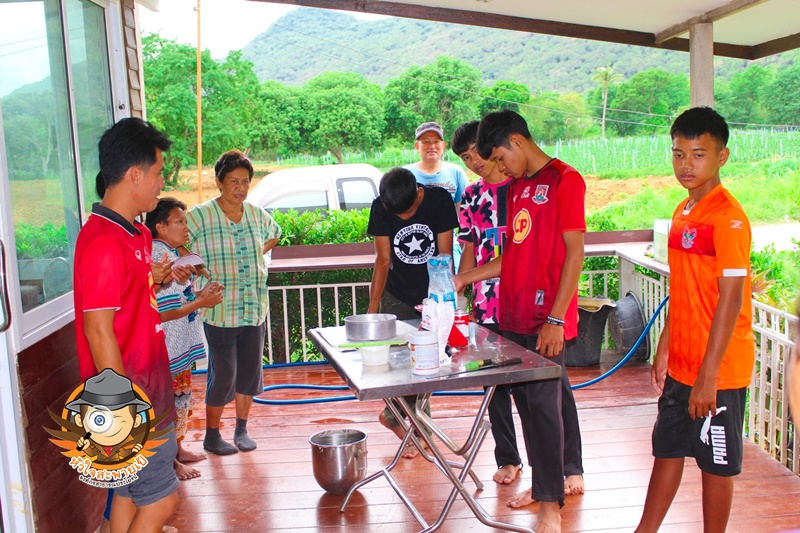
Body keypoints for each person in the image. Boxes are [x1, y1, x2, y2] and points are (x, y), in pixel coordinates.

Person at [455, 109, 588, 532]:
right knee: (530, 410)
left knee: (547, 408)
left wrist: (556, 319)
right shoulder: (518, 188)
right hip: (511, 313)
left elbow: (575, 254)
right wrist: (464, 278)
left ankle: (551, 507)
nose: (499, 167)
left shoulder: (565, 180)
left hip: (545, 318)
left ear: (516, 141)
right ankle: (544, 484)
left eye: (499, 158)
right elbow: (512, 256)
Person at [634, 107, 754, 533]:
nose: (686, 165)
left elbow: (731, 300)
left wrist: (708, 377)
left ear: (722, 156)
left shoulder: (729, 218)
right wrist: (665, 346)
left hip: (717, 370)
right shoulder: (683, 211)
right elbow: (683, 289)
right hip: (683, 364)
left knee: (715, 463)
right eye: (678, 154)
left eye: (698, 155)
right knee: (666, 448)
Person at [73, 117, 179, 532]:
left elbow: (126, 298)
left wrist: (152, 279)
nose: (161, 184)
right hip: (130, 399)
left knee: (127, 493)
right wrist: (123, 410)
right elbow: (97, 329)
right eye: (158, 173)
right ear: (135, 174)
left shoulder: (134, 233)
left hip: (150, 384)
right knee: (162, 502)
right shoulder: (103, 242)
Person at [185, 149, 282, 456]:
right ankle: (212, 435)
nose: (240, 188)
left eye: (245, 181)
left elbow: (275, 234)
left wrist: (256, 256)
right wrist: (196, 266)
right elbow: (177, 242)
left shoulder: (256, 214)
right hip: (220, 310)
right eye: (233, 181)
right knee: (224, 374)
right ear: (219, 182)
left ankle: (241, 429)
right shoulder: (200, 215)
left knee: (249, 373)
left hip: (254, 308)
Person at [367, 167, 458, 458]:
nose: (404, 218)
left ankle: (401, 421)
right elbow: (383, 260)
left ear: (419, 193)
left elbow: (444, 255)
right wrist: (373, 308)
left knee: (428, 363)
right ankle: (419, 430)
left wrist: (444, 301)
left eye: (409, 212)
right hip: (397, 295)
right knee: (400, 366)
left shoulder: (438, 199)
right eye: (399, 214)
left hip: (433, 294)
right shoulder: (381, 206)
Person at [451, 120, 521, 485]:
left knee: (539, 390)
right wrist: (459, 294)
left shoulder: (521, 187)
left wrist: (465, 278)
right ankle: (508, 459)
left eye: (477, 151)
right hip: (487, 304)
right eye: (465, 157)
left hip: (524, 303)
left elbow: (521, 257)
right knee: (493, 387)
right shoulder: (472, 196)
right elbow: (469, 247)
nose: (475, 161)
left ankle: (565, 465)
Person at [145, 197, 224, 480]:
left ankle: (177, 451)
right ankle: (171, 461)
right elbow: (164, 313)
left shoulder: (170, 253)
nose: (186, 227)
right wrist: (201, 302)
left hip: (177, 347)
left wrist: (201, 296)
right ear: (161, 227)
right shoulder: (160, 257)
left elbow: (181, 299)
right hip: (168, 347)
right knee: (168, 404)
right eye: (179, 221)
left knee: (179, 399)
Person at [404, 121, 469, 270]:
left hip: (449, 244)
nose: (431, 146)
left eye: (436, 141)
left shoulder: (456, 172)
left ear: (443, 145)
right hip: (414, 243)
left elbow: (464, 213)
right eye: (426, 142)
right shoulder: (406, 174)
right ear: (417, 146)